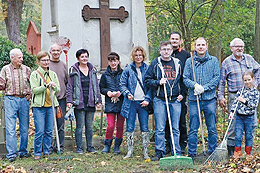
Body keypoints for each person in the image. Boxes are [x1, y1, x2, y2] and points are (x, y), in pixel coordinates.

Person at [217, 38, 260, 157]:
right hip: (234, 95)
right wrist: (221, 96)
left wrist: (255, 84)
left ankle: (248, 151)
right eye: (237, 46)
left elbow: (258, 70)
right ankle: (233, 152)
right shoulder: (227, 62)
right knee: (234, 124)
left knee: (252, 123)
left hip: (250, 95)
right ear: (231, 48)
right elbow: (221, 81)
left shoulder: (249, 59)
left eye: (241, 46)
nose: (239, 48)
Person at [145, 41, 183, 161]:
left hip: (175, 100)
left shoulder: (177, 63)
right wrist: (158, 82)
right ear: (160, 51)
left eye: (168, 49)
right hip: (159, 100)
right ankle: (160, 152)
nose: (166, 52)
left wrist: (182, 94)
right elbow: (147, 80)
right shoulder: (156, 63)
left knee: (175, 128)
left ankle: (176, 151)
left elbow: (183, 81)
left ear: (172, 51)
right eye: (164, 49)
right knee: (160, 128)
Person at [183, 37, 220, 158]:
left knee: (212, 128)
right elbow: (185, 78)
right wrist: (194, 85)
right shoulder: (190, 61)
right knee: (193, 128)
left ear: (206, 46)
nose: (200, 47)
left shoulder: (213, 61)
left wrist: (204, 88)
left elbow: (216, 78)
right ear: (195, 47)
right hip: (195, 100)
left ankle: (212, 152)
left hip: (210, 99)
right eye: (198, 45)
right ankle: (192, 153)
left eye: (203, 45)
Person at [66, 49, 102, 154]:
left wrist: (98, 100)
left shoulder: (92, 70)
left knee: (89, 126)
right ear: (78, 58)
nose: (84, 58)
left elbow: (96, 86)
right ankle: (79, 148)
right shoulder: (74, 70)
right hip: (79, 102)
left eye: (86, 56)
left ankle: (90, 147)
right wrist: (69, 100)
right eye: (82, 57)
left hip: (90, 101)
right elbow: (70, 86)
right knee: (80, 126)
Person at [119, 46, 151, 160]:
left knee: (144, 127)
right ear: (133, 56)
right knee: (130, 126)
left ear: (143, 57)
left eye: (140, 55)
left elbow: (151, 86)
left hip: (143, 103)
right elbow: (122, 84)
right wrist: (127, 93)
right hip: (131, 102)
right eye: (136, 55)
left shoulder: (148, 69)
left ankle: (146, 151)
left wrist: (147, 98)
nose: (138, 57)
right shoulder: (128, 69)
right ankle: (130, 151)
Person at [0, 48, 31, 162]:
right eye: (19, 57)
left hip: (24, 100)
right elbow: (1, 84)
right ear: (12, 58)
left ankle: (23, 151)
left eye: (22, 57)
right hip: (10, 99)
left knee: (24, 127)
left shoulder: (27, 69)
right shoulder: (5, 69)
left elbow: (32, 83)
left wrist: (30, 94)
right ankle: (12, 154)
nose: (21, 59)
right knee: (10, 128)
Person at [30, 51, 60, 160]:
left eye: (47, 60)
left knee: (48, 130)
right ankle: (37, 152)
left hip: (51, 105)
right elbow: (34, 90)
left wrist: (54, 87)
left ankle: (47, 151)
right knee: (39, 130)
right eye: (43, 60)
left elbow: (58, 89)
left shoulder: (53, 74)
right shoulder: (35, 74)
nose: (46, 62)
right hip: (39, 106)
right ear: (38, 61)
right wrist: (46, 86)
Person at [164, 32, 190, 154]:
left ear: (180, 41)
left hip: (180, 93)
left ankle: (182, 144)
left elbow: (186, 75)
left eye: (176, 39)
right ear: (169, 40)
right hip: (166, 93)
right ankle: (169, 145)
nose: (174, 41)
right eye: (172, 39)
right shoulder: (165, 53)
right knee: (167, 121)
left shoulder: (185, 55)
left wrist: (183, 93)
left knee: (181, 120)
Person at [229, 71, 259, 159]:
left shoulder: (255, 92)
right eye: (245, 80)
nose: (247, 82)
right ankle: (237, 152)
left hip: (249, 117)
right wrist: (232, 112)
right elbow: (235, 103)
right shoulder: (240, 91)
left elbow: (254, 105)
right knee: (238, 135)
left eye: (249, 80)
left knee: (249, 135)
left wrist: (244, 101)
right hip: (239, 117)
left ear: (252, 79)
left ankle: (248, 153)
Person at [99, 52, 125, 154]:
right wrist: (108, 92)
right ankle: (107, 144)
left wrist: (121, 92)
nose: (113, 63)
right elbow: (101, 88)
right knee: (110, 125)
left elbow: (126, 85)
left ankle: (117, 146)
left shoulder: (123, 73)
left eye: (115, 60)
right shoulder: (105, 75)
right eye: (111, 61)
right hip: (110, 103)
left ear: (118, 61)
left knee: (120, 126)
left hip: (121, 102)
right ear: (108, 62)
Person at [49, 43, 68, 153]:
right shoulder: (47, 65)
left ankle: (60, 146)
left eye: (58, 50)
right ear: (50, 52)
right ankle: (49, 147)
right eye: (54, 50)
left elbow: (66, 82)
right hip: (49, 100)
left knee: (60, 124)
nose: (56, 52)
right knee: (50, 125)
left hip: (61, 100)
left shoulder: (63, 65)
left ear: (60, 52)